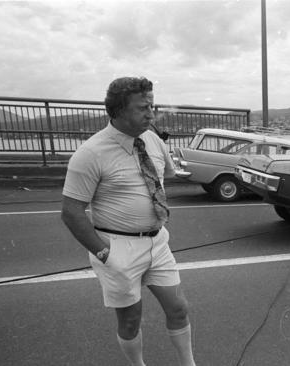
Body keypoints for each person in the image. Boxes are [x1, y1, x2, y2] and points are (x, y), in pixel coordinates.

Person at [61, 76, 196, 366]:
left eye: (152, 105)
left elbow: (167, 175)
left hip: (157, 242)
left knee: (179, 309)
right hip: (117, 247)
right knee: (132, 320)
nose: (151, 114)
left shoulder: (152, 140)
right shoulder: (90, 153)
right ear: (119, 111)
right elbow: (71, 212)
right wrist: (104, 253)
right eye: (143, 108)